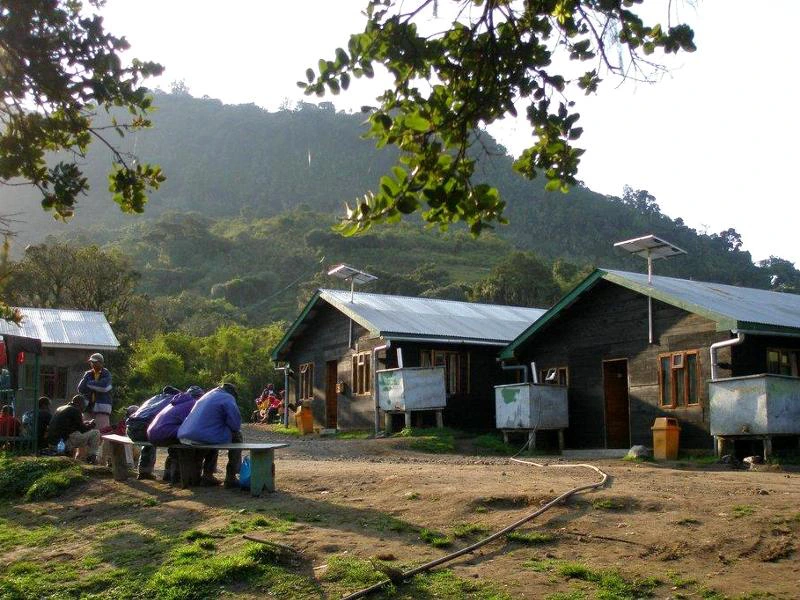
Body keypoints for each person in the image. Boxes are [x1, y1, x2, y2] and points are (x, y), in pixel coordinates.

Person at [177, 382, 243, 488]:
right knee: (237, 437)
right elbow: (235, 425)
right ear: (233, 394)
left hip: (185, 435)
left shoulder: (207, 395)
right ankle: (231, 477)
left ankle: (207, 475)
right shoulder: (228, 398)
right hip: (201, 436)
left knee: (213, 440)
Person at [147, 386, 204, 483]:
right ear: (199, 397)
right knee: (192, 445)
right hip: (165, 433)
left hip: (152, 434)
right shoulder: (193, 403)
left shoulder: (175, 402)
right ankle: (187, 477)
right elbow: (191, 425)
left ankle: (169, 474)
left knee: (175, 448)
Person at [125, 386, 180, 480]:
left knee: (149, 440)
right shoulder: (172, 401)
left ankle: (144, 471)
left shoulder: (154, 398)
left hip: (130, 429)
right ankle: (170, 474)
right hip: (144, 429)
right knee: (175, 439)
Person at [46, 395, 100, 463]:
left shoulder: (61, 408)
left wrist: (86, 423)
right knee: (96, 433)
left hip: (52, 443)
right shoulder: (75, 410)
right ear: (79, 403)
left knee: (77, 434)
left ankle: (86, 457)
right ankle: (92, 457)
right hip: (62, 444)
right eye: (83, 405)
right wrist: (92, 425)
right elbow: (82, 430)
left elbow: (75, 425)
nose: (84, 408)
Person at [77, 353, 113, 430]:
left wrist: (89, 383)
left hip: (102, 409)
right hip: (88, 407)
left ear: (101, 363)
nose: (92, 364)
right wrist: (96, 385)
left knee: (101, 432)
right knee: (85, 430)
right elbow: (81, 388)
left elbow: (104, 387)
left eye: (95, 362)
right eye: (91, 362)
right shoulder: (88, 374)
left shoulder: (106, 374)